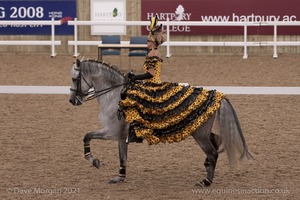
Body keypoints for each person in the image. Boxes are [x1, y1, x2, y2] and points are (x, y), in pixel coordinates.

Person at [119, 16, 224, 144]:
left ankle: (135, 133)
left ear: (153, 42)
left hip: (152, 85)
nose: (146, 42)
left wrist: (135, 77)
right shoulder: (156, 52)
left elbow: (151, 74)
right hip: (153, 83)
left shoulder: (152, 54)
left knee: (131, 98)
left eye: (148, 40)